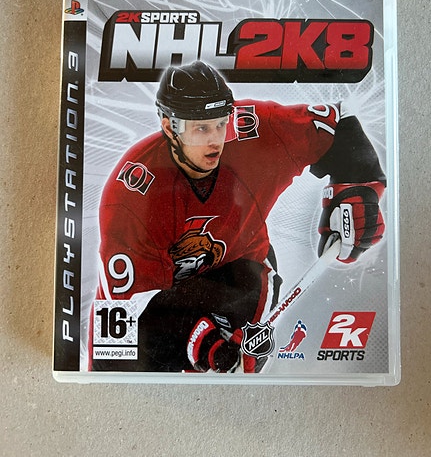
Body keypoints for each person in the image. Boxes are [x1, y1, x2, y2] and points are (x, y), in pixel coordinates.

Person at [93, 61, 385, 373]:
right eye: (201, 128)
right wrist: (201, 342)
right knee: (124, 369)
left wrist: (359, 189)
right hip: (156, 311)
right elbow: (121, 325)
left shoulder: (256, 131)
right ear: (169, 128)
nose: (215, 140)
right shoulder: (132, 196)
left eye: (220, 124)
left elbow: (340, 122)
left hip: (241, 275)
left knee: (237, 368)